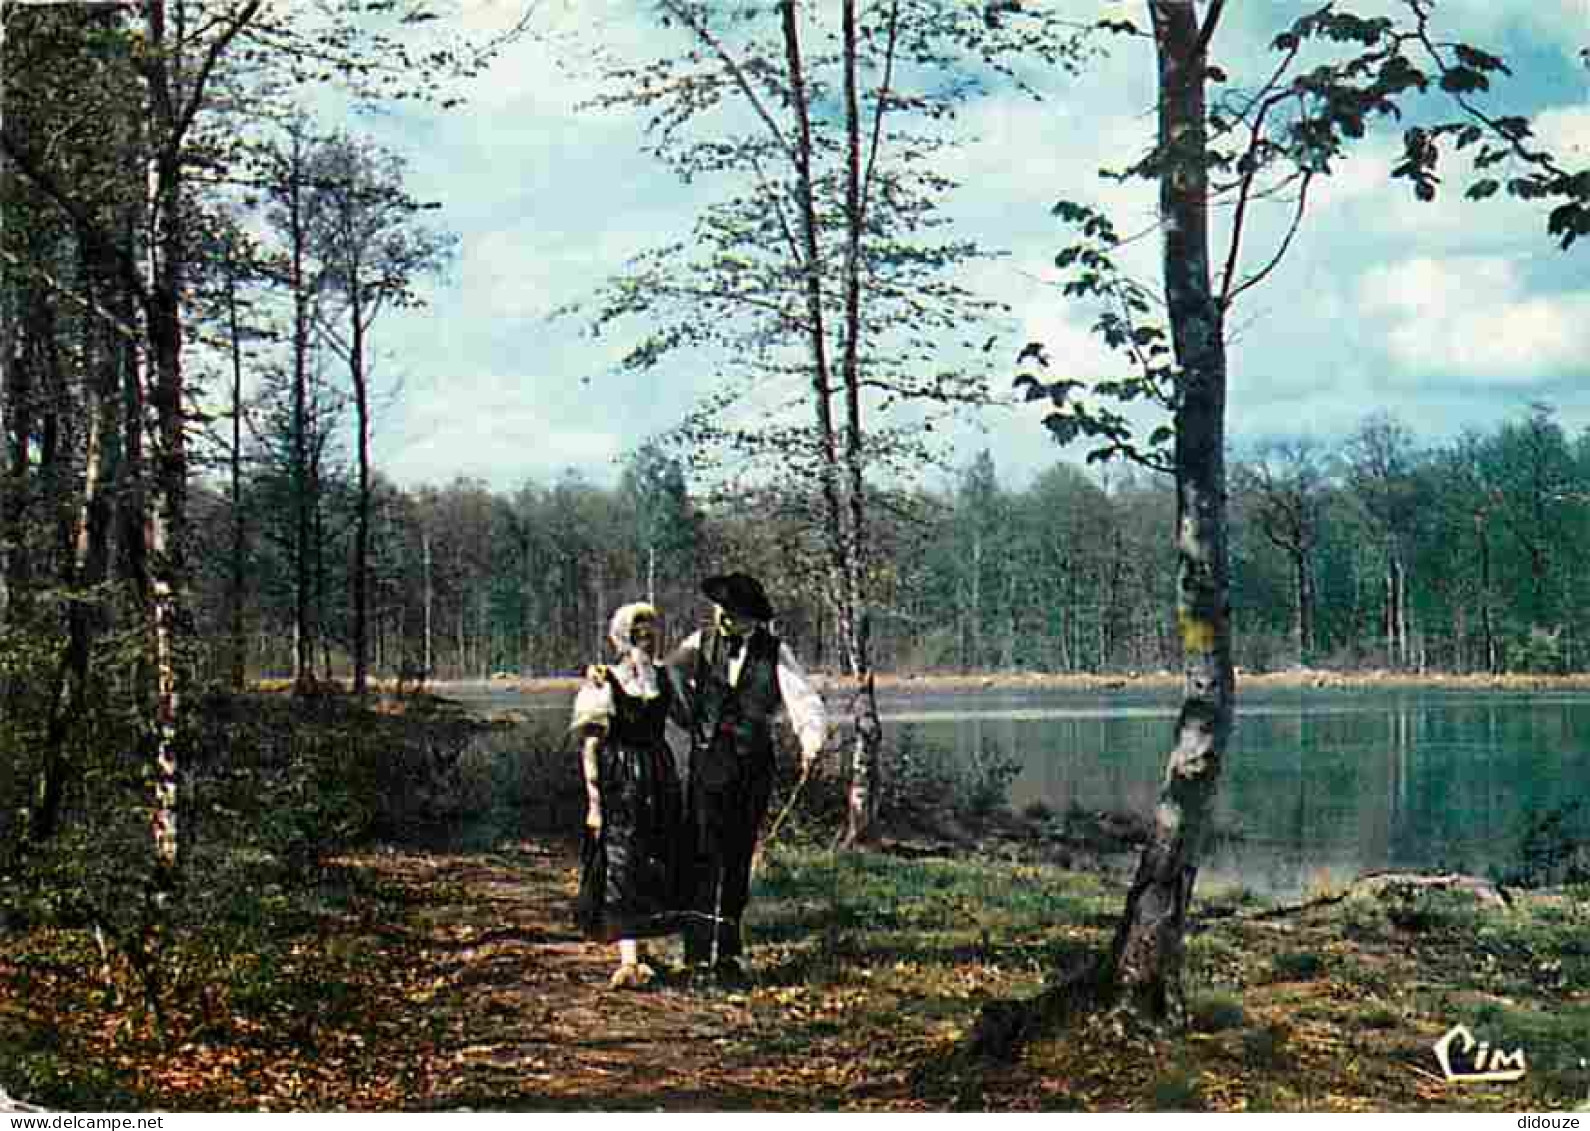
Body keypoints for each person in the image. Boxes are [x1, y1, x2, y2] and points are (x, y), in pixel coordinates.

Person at [663, 571, 826, 982]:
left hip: (753, 767)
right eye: (720, 608)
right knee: (701, 854)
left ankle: (728, 953)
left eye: (732, 611)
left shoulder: (775, 651)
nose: (722, 616)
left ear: (751, 617)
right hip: (707, 764)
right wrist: (688, 717)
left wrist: (811, 742)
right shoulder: (698, 644)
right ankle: (695, 952)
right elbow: (666, 677)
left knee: (738, 857)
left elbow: (803, 699)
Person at [570, 601, 684, 988]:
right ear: (623, 638)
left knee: (656, 856)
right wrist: (594, 802)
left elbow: (688, 717)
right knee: (622, 861)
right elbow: (590, 745)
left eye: (652, 633)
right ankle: (629, 957)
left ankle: (643, 946)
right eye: (638, 634)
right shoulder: (605, 682)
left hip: (658, 776)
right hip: (620, 778)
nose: (647, 640)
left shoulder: (664, 678)